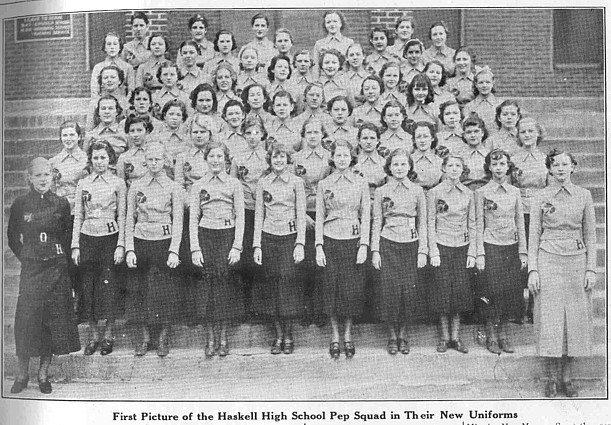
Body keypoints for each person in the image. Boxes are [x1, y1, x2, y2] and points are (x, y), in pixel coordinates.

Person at [8, 157, 80, 394]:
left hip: (57, 268)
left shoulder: (60, 203)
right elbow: (12, 238)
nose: (42, 179)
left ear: (53, 176)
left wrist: (63, 265)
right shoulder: (21, 203)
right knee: (26, 320)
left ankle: (43, 374)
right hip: (32, 269)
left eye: (46, 175)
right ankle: (22, 373)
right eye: (38, 175)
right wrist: (28, 257)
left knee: (51, 320)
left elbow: (67, 238)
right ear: (29, 178)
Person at [528, 149, 596, 398]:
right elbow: (533, 234)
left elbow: (591, 234)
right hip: (548, 259)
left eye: (565, 164)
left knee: (574, 321)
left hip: (576, 261)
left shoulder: (584, 195)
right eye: (555, 164)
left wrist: (591, 268)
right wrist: (533, 269)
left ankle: (568, 378)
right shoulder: (540, 196)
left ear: (573, 167)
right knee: (550, 319)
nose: (560, 168)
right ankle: (551, 378)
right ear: (549, 168)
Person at [125, 142, 184, 357]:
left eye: (158, 159)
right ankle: (145, 337)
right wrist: (129, 249)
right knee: (139, 291)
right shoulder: (137, 186)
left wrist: (174, 250)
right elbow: (129, 218)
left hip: (164, 242)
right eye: (150, 159)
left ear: (165, 161)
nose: (154, 163)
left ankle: (162, 337)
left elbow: (178, 220)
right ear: (145, 161)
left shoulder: (174, 187)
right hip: (141, 240)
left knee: (164, 292)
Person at [315, 139, 370, 359]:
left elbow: (366, 215)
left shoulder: (360, 182)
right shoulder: (324, 184)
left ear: (352, 158)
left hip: (353, 239)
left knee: (350, 291)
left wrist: (364, 245)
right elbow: (319, 216)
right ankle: (334, 335)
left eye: (346, 156)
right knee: (331, 289)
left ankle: (348, 335)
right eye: (338, 156)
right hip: (331, 239)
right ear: (332, 158)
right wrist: (319, 246)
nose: (342, 159)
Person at [190, 141, 245, 357]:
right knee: (207, 288)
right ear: (206, 159)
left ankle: (223, 337)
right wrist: (195, 248)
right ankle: (210, 337)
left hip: (226, 236)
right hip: (205, 237)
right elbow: (194, 218)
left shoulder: (234, 184)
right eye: (211, 156)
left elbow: (240, 216)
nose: (215, 160)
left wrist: (236, 246)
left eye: (219, 157)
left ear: (226, 160)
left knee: (223, 288)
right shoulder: (198, 185)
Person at [72, 139, 126, 356]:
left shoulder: (118, 183)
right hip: (88, 237)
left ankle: (108, 334)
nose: (100, 161)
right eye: (95, 157)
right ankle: (94, 335)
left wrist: (121, 244)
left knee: (109, 286)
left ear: (110, 158)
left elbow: (122, 215)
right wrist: (75, 245)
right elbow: (78, 215)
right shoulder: (83, 183)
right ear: (90, 159)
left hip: (110, 237)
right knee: (89, 286)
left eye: (103, 157)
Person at [252, 143, 307, 355]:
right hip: (269, 238)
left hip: (289, 238)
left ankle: (289, 334)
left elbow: (301, 214)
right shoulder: (263, 182)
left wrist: (300, 243)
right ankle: (277, 335)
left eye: (282, 157)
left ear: (288, 159)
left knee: (288, 286)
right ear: (270, 160)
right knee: (272, 286)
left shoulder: (296, 182)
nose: (278, 161)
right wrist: (257, 245)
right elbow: (259, 215)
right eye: (275, 157)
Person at [371, 148, 427, 355]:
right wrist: (375, 250)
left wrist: (423, 250)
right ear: (389, 167)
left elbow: (423, 222)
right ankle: (391, 336)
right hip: (388, 243)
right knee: (390, 291)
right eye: (395, 164)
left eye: (403, 164)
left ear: (410, 166)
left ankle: (404, 334)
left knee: (408, 291)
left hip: (411, 244)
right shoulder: (381, 191)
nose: (399, 168)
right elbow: (377, 221)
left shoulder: (418, 191)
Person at [475, 149, 527, 354]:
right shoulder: (481, 192)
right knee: (491, 292)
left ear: (508, 167)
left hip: (510, 247)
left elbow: (520, 223)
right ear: (489, 167)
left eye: (502, 164)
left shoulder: (515, 192)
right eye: (494, 165)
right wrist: (480, 253)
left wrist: (523, 251)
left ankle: (504, 335)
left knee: (508, 292)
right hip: (490, 246)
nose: (498, 168)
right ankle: (491, 334)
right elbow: (479, 223)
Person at [427, 155, 476, 354]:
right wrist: (433, 250)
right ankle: (444, 337)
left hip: (461, 246)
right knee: (442, 292)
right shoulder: (434, 193)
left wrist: (472, 252)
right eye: (450, 166)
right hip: (441, 245)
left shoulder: (468, 193)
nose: (454, 169)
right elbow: (430, 222)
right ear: (444, 168)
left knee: (459, 293)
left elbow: (472, 223)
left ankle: (456, 337)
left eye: (458, 165)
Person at [511, 116, 548, 324]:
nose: (527, 135)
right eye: (523, 132)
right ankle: (517, 307)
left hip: (539, 211)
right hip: (519, 210)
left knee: (537, 256)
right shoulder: (513, 159)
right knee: (519, 256)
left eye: (530, 132)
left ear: (538, 134)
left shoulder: (545, 159)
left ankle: (535, 307)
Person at [230, 116, 269, 310]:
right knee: (244, 256)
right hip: (245, 210)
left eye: (256, 133)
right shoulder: (238, 158)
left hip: (266, 212)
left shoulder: (269, 157)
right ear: (243, 135)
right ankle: (244, 305)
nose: (253, 137)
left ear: (262, 134)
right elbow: (232, 183)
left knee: (262, 255)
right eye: (248, 133)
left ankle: (260, 306)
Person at [90, 32, 135, 97]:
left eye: (115, 44)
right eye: (109, 44)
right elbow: (94, 91)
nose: (112, 47)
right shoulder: (98, 67)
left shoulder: (127, 67)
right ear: (105, 48)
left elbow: (131, 90)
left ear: (119, 47)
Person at [463, 67, 502, 134]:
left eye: (487, 82)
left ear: (492, 83)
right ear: (476, 84)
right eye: (481, 82)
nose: (484, 85)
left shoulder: (500, 104)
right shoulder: (469, 107)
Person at [116, 115, 153, 188]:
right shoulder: (124, 158)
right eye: (132, 131)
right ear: (128, 133)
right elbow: (121, 185)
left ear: (147, 132)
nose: (136, 135)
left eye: (139, 130)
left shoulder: (155, 152)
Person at [459, 113, 491, 190]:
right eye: (469, 132)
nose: (473, 135)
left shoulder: (490, 155)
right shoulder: (459, 157)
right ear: (464, 135)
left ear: (482, 133)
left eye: (476, 131)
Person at [410, 121, 443, 191]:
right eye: (418, 137)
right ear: (414, 140)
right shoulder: (408, 161)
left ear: (432, 138)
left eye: (426, 136)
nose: (422, 140)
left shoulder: (440, 162)